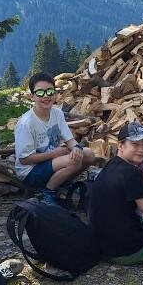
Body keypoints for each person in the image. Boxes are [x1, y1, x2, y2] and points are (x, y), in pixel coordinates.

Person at [14, 72, 96, 205]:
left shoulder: (57, 113)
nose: (46, 96)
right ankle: (47, 192)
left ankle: (62, 182)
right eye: (40, 93)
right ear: (32, 96)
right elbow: (24, 160)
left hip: (53, 161)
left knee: (88, 154)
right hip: (30, 171)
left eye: (50, 91)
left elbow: (70, 140)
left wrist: (76, 147)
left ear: (55, 93)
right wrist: (55, 154)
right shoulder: (26, 123)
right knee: (73, 161)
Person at [88, 122, 143, 265]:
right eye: (135, 144)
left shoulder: (111, 165)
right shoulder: (132, 174)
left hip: (103, 246)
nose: (141, 150)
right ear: (120, 146)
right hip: (126, 251)